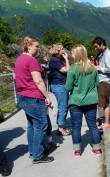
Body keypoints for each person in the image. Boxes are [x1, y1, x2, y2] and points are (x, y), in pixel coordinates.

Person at [14, 36, 54, 164]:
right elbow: (38, 81)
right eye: (36, 46)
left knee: (32, 125)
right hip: (33, 97)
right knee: (41, 125)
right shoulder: (32, 61)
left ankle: (32, 151)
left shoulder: (19, 59)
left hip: (22, 96)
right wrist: (47, 96)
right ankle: (38, 154)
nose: (38, 49)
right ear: (29, 45)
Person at [66, 44, 101, 157]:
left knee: (76, 127)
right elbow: (97, 84)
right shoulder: (93, 68)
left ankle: (77, 151)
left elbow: (68, 87)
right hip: (91, 101)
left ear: (76, 55)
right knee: (93, 126)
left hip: (76, 102)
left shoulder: (72, 69)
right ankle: (97, 149)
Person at [48, 44, 71, 136]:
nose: (63, 50)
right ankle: (61, 129)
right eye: (62, 49)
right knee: (63, 107)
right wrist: (66, 59)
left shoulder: (57, 59)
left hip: (60, 85)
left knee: (64, 106)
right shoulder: (55, 60)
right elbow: (66, 70)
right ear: (57, 51)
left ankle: (61, 126)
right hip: (59, 86)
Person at [92, 36, 110, 131]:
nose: (96, 48)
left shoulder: (108, 54)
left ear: (101, 44)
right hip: (100, 80)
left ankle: (107, 123)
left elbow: (109, 69)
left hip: (104, 81)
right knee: (100, 102)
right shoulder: (102, 53)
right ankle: (103, 121)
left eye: (96, 46)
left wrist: (98, 68)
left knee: (104, 103)